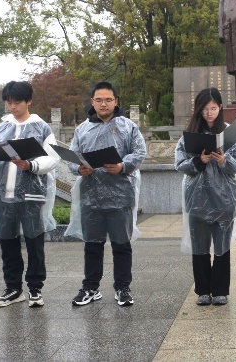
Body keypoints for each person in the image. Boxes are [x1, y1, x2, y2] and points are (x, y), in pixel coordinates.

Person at [65, 82, 147, 307]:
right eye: (99, 100)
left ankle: (122, 288)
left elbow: (140, 152)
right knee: (92, 245)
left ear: (116, 102)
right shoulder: (82, 129)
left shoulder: (128, 126)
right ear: (92, 102)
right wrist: (78, 168)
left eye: (108, 100)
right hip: (90, 195)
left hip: (121, 194)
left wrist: (122, 165)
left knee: (122, 245)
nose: (104, 104)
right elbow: (72, 156)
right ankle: (90, 288)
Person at [0, 81, 58, 307]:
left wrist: (31, 165)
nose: (12, 107)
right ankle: (13, 288)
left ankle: (35, 289)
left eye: (17, 102)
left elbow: (52, 159)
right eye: (9, 102)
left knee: (34, 243)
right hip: (2, 195)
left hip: (31, 195)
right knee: (8, 244)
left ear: (29, 101)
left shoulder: (41, 128)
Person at [175, 88, 236, 306]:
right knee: (199, 246)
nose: (209, 113)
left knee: (221, 245)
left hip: (223, 198)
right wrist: (198, 161)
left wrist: (224, 160)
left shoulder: (229, 134)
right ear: (198, 110)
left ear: (220, 108)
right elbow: (179, 164)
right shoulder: (189, 135)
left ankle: (220, 290)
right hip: (197, 197)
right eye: (205, 109)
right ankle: (203, 291)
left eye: (213, 108)